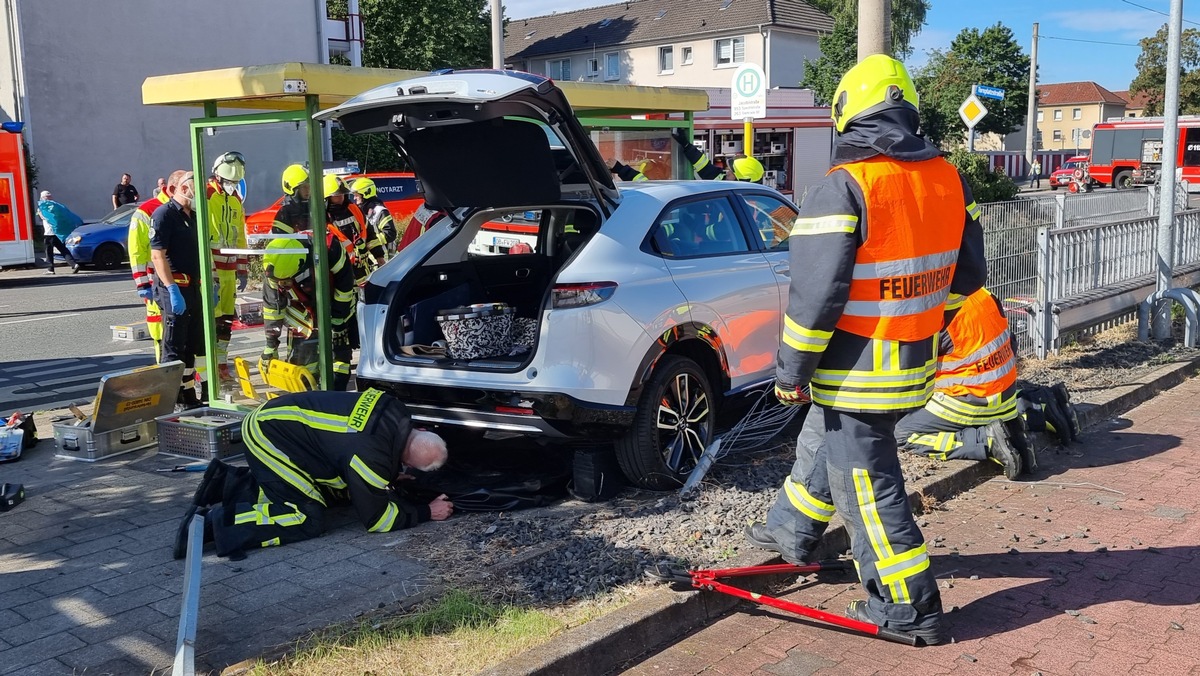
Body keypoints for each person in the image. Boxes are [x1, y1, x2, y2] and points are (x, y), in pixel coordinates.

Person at [745, 55, 987, 646]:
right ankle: (790, 532)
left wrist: (790, 370)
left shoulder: (844, 186)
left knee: (870, 493)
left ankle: (908, 607)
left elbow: (814, 296)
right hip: (911, 362)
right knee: (821, 439)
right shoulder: (949, 178)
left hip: (855, 370)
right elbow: (969, 277)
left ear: (848, 113)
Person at [173, 389, 455, 560]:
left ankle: (223, 485)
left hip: (279, 422)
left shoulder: (395, 408)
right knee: (306, 517)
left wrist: (389, 475)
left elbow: (360, 449)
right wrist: (427, 512)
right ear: (410, 462)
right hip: (269, 435)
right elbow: (377, 520)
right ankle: (210, 525)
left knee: (334, 494)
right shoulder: (370, 457)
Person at [894, 287, 1032, 479]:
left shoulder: (934, 310)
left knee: (903, 434)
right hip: (1007, 397)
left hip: (968, 402)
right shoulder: (981, 293)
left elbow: (911, 373)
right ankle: (1006, 432)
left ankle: (984, 441)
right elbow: (1012, 343)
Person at [260, 235, 358, 390]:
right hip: (304, 320)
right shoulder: (276, 267)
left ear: (299, 267)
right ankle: (307, 398)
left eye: (285, 281)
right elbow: (273, 309)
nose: (282, 286)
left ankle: (336, 397)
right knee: (303, 368)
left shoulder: (329, 248)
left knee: (338, 363)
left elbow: (345, 289)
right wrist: (271, 345)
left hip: (337, 309)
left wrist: (338, 322)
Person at [149, 171, 207, 408]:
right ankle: (169, 400)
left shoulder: (192, 215)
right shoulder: (164, 214)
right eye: (194, 186)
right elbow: (157, 255)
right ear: (182, 188)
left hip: (192, 286)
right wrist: (171, 288)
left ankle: (188, 394)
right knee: (173, 346)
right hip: (174, 287)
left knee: (191, 344)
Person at [128, 171, 184, 361]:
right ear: (172, 189)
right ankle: (164, 368)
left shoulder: (186, 208)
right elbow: (137, 251)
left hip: (185, 280)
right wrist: (142, 284)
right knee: (160, 328)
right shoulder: (147, 211)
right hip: (156, 281)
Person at [206, 151, 250, 386]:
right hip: (212, 269)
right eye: (229, 182)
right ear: (218, 177)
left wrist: (242, 268)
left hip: (230, 270)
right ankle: (209, 367)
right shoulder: (206, 196)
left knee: (225, 320)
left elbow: (240, 236)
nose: (232, 186)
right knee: (210, 322)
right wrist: (208, 270)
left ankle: (222, 364)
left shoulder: (235, 201)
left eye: (235, 182)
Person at [324, 174, 385, 287]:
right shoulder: (323, 220)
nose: (341, 198)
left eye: (343, 193)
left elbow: (370, 234)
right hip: (341, 275)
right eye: (337, 195)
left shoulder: (354, 209)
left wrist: (379, 256)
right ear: (326, 198)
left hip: (364, 269)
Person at [35, 190, 81, 274]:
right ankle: (74, 264)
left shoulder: (43, 207)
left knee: (49, 252)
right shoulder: (57, 206)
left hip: (49, 233)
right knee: (63, 250)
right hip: (58, 233)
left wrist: (39, 212)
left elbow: (44, 217)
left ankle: (50, 269)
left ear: (42, 198)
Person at [350, 177, 399, 255]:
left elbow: (390, 233)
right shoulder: (361, 211)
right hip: (369, 258)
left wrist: (372, 242)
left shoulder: (380, 211)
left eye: (356, 195)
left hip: (383, 258)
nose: (354, 198)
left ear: (366, 193)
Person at [272, 164, 311, 234]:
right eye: (304, 187)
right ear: (292, 189)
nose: (308, 190)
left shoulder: (312, 208)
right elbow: (282, 239)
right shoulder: (284, 213)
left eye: (309, 186)